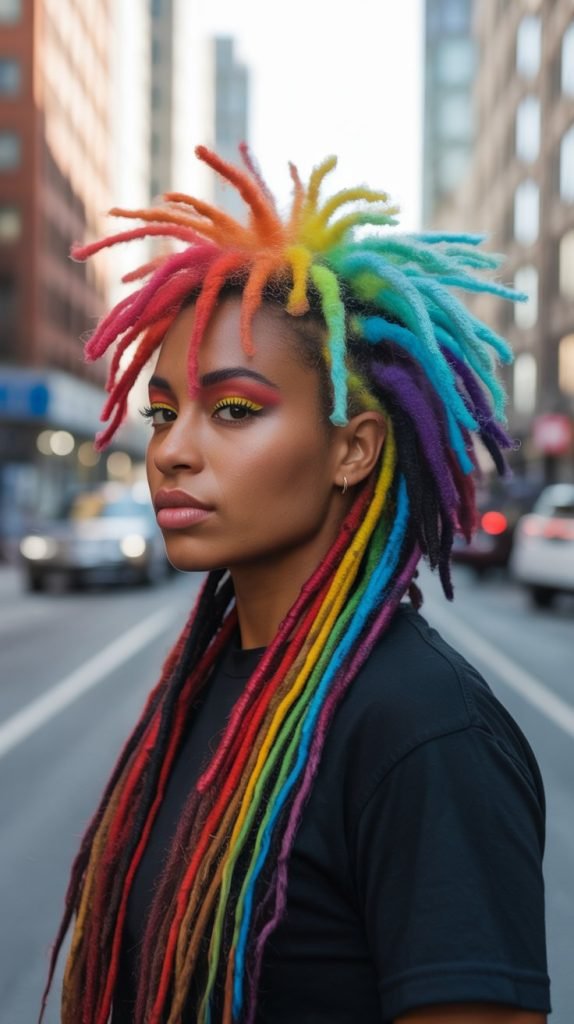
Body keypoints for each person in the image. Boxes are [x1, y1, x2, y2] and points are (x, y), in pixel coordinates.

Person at [40, 146, 550, 1024]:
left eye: (233, 409)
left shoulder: (425, 734)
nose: (171, 450)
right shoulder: (208, 686)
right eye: (164, 412)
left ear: (353, 448)